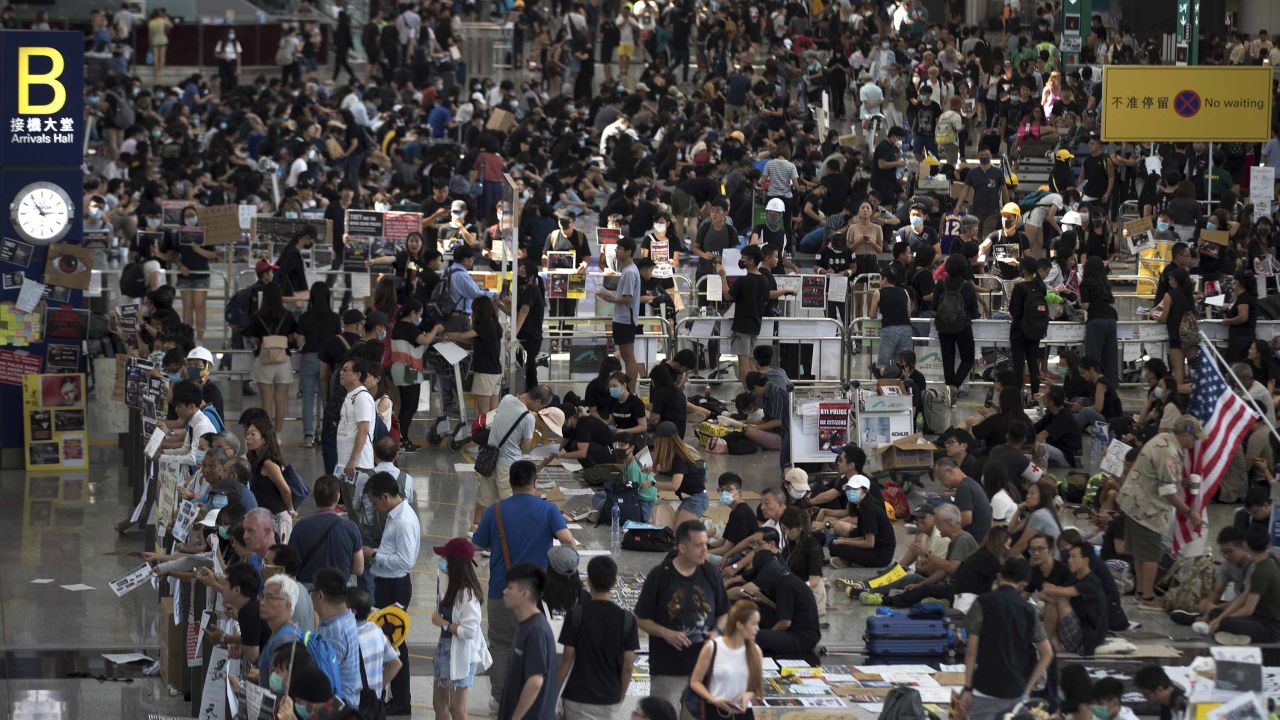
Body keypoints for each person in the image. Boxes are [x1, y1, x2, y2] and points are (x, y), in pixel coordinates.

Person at [473, 460, 576, 710]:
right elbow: (567, 541)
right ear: (535, 482)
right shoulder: (548, 510)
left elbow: (476, 545)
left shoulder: (495, 511)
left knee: (500, 643)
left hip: (502, 590)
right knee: (535, 645)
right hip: (534, 595)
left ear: (509, 482)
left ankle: (500, 697)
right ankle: (533, 696)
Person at [634, 520, 730, 713]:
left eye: (706, 544)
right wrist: (666, 633)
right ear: (682, 547)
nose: (705, 550)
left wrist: (717, 631)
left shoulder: (710, 573)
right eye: (698, 545)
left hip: (702, 668)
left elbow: (724, 613)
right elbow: (641, 619)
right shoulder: (660, 575)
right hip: (668, 667)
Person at [1116, 415, 1205, 607]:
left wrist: (1182, 481)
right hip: (1147, 509)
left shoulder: (1162, 440)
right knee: (1150, 554)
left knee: (1140, 552)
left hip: (1134, 503)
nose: (1195, 441)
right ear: (1186, 434)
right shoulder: (1169, 453)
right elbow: (1169, 493)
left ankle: (1140, 592)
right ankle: (1147, 597)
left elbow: (1162, 475)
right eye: (1194, 437)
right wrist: (1190, 514)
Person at [956, 558, 1055, 720]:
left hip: (984, 688)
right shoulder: (1029, 611)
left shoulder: (983, 603)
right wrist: (1027, 690)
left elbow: (971, 651)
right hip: (1015, 691)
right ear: (1023, 583)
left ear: (999, 576)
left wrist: (967, 688)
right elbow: (1047, 654)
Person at [361, 471, 421, 715]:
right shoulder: (396, 516)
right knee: (390, 641)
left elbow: (405, 560)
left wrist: (373, 555)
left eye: (375, 502)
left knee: (395, 642)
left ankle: (400, 701)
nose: (375, 507)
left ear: (385, 497)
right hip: (387, 582)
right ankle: (396, 697)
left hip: (395, 586)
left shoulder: (404, 520)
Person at [556, 556, 640, 719]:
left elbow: (567, 660)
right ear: (615, 582)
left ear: (588, 582)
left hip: (577, 697)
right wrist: (620, 697)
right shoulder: (627, 620)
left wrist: (554, 697)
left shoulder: (576, 615)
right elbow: (628, 666)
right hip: (609, 698)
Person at [473, 386, 561, 527]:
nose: (539, 410)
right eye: (541, 406)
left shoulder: (506, 399)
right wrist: (536, 435)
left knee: (484, 496)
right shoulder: (528, 418)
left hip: (489, 458)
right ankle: (507, 532)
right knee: (509, 501)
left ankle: (475, 527)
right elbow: (525, 448)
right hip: (507, 465)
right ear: (538, 402)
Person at [431, 537, 491, 720]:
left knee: (457, 709)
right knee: (440, 704)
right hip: (445, 649)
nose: (443, 562)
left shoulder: (467, 594)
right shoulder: (453, 586)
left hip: (460, 654)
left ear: (455, 563)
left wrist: (444, 624)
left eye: (446, 559)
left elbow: (469, 632)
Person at [498, 563, 559, 720]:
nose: (504, 592)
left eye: (510, 588)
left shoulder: (536, 631)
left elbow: (535, 681)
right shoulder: (526, 624)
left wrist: (516, 717)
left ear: (524, 594)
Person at [686, 599, 764, 720]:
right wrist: (713, 700)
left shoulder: (755, 651)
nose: (757, 628)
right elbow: (695, 682)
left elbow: (757, 687)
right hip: (715, 712)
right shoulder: (712, 647)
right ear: (739, 625)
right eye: (753, 624)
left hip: (742, 714)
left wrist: (748, 695)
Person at [1208, 525, 1280, 645]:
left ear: (1245, 545)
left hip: (1272, 629)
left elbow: (1248, 609)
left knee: (1226, 623)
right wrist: (1219, 618)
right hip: (1260, 619)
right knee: (1215, 614)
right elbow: (1242, 598)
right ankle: (1236, 635)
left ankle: (1238, 636)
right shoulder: (1266, 564)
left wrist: (1223, 620)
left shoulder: (1262, 571)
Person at [389, 299, 444, 451]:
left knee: (406, 405)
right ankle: (402, 440)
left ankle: (400, 438)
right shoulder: (409, 327)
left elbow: (418, 342)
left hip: (400, 368)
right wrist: (436, 330)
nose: (419, 317)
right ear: (413, 313)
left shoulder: (399, 326)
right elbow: (424, 339)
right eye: (419, 314)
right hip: (409, 370)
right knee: (410, 406)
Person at [287, 475, 363, 584]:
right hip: (339, 588)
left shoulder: (300, 527)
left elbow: (291, 565)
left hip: (309, 588)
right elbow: (359, 569)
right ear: (337, 496)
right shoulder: (351, 528)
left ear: (315, 496)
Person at [243, 282, 297, 434]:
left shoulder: (258, 316)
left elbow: (253, 339)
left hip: (264, 361)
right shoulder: (288, 315)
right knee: (280, 401)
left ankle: (267, 434)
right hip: (283, 361)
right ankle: (278, 435)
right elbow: (293, 336)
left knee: (266, 401)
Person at [1042, 543, 1109, 655]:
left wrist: (1048, 589)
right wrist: (1048, 590)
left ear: (1085, 560)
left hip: (1088, 637)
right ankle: (1051, 642)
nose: (1069, 560)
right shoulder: (1075, 578)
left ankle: (1047, 643)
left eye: (1073, 557)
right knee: (1052, 600)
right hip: (1078, 627)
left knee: (1058, 598)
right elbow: (1044, 593)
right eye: (1069, 557)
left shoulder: (1091, 583)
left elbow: (1057, 592)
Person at [297, 282, 342, 449]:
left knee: (308, 398)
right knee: (327, 399)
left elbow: (300, 341)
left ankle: (308, 436)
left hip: (309, 358)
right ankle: (328, 433)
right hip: (328, 362)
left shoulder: (305, 317)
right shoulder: (334, 318)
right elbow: (338, 340)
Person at [716, 244, 769, 382]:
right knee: (751, 359)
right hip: (756, 324)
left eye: (744, 258)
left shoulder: (744, 281)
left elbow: (728, 296)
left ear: (751, 261)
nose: (741, 261)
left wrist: (723, 277)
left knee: (743, 360)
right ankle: (756, 389)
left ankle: (747, 392)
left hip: (742, 326)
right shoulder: (765, 280)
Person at [311, 568, 363, 707]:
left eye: (312, 591)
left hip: (336, 707)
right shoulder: (346, 616)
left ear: (320, 596)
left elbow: (324, 679)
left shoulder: (334, 632)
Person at [596, 236, 644, 385]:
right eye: (616, 249)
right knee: (625, 355)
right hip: (621, 318)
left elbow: (627, 299)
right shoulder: (627, 270)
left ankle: (631, 389)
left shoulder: (629, 272)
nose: (616, 252)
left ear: (629, 252)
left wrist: (609, 298)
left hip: (625, 319)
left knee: (629, 357)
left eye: (620, 249)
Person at [933, 254, 981, 401]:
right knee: (967, 358)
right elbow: (974, 311)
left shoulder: (941, 284)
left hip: (943, 326)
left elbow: (934, 306)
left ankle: (949, 389)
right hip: (963, 326)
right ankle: (955, 386)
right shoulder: (967, 286)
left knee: (948, 359)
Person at [349, 587, 403, 713]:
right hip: (374, 704)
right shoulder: (375, 630)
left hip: (353, 707)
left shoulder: (348, 637)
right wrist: (378, 688)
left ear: (352, 612)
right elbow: (396, 663)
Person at [244, 416, 297, 542]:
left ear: (264, 439)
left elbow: (285, 490)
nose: (248, 437)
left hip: (278, 518)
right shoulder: (254, 460)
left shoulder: (269, 463)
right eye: (247, 434)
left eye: (253, 434)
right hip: (265, 518)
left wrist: (291, 509)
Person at [830, 475, 895, 569]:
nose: (850, 491)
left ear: (865, 491)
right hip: (876, 549)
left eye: (854, 489)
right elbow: (864, 536)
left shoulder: (869, 510)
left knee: (836, 547)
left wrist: (844, 542)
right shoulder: (863, 507)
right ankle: (847, 560)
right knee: (835, 543)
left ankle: (847, 560)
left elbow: (869, 543)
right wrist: (845, 540)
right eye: (848, 488)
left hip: (880, 556)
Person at [651, 422, 708, 527]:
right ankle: (698, 528)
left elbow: (674, 485)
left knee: (680, 535)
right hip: (688, 498)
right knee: (673, 529)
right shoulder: (676, 454)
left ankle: (708, 529)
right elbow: (669, 467)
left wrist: (652, 484)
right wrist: (653, 468)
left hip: (696, 499)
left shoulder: (678, 458)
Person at [1008, 256, 1047, 398]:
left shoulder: (1019, 288)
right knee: (1033, 363)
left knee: (1018, 365)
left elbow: (1014, 311)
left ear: (1023, 270)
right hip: (1035, 330)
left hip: (1019, 331)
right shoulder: (1041, 287)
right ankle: (1035, 395)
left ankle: (1017, 395)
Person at [1079, 256, 1119, 385]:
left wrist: (1078, 302)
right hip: (1111, 321)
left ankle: (1094, 388)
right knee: (1110, 357)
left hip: (1096, 321)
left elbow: (1086, 305)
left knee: (1094, 358)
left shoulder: (1086, 283)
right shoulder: (1105, 283)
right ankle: (1110, 386)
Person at [935, 457, 993, 543]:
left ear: (949, 472)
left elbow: (965, 519)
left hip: (974, 540)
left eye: (941, 478)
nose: (942, 483)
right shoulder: (969, 483)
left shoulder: (964, 488)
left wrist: (947, 530)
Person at [337, 356, 376, 482]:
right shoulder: (350, 396)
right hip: (346, 461)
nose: (341, 373)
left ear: (357, 375)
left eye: (346, 370)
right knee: (348, 500)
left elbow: (363, 430)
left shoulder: (362, 397)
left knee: (355, 500)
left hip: (358, 465)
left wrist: (353, 460)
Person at [742, 371, 790, 466]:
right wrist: (749, 422)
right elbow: (766, 420)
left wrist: (756, 428)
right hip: (774, 431)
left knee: (749, 432)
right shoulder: (767, 393)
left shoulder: (776, 394)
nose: (754, 394)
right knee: (747, 428)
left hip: (783, 436)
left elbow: (777, 422)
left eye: (753, 391)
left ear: (756, 387)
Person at [711, 473, 760, 559]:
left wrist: (703, 553)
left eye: (729, 490)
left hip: (744, 559)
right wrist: (706, 545)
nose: (724, 493)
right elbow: (723, 541)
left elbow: (727, 548)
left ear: (739, 491)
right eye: (721, 490)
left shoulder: (741, 513)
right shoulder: (736, 511)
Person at [1009, 480, 1062, 557]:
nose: (1027, 496)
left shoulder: (1040, 515)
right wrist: (1019, 509)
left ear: (1043, 496)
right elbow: (1012, 530)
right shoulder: (1042, 512)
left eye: (1032, 493)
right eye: (1028, 493)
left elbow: (1021, 545)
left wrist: (1002, 561)